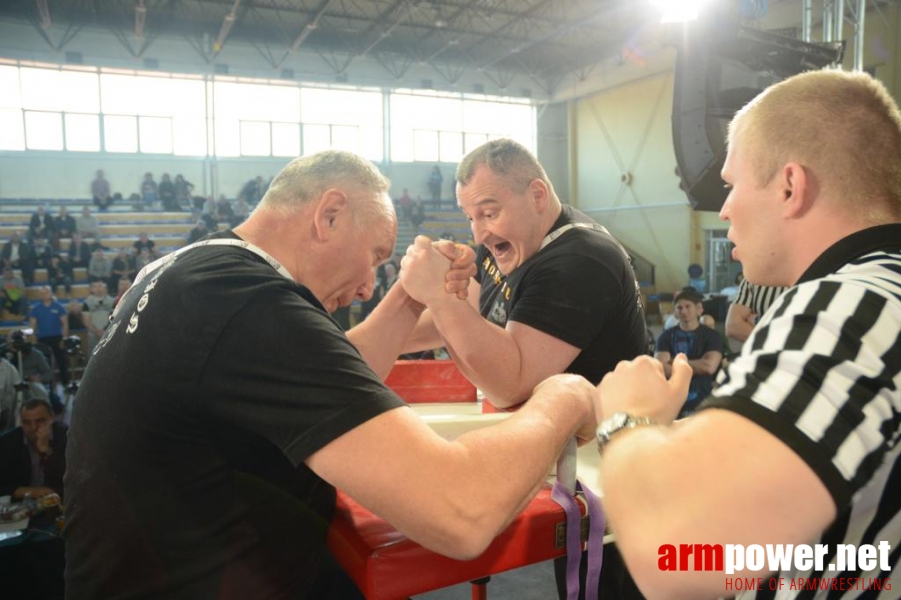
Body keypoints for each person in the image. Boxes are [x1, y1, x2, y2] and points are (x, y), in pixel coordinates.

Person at [63, 150, 599, 600]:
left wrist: (410, 298)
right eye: (375, 256)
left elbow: (331, 379)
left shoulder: (195, 273)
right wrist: (563, 395)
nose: (369, 286)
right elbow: (459, 510)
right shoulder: (246, 302)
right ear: (330, 215)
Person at [589, 69, 900, 599]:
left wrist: (626, 421)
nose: (724, 207)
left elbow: (679, 556)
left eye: (730, 186)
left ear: (789, 186)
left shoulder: (851, 305)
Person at [393, 138, 648, 599]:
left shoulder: (578, 258)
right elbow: (466, 316)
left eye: (489, 213)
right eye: (471, 218)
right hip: (574, 467)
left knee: (604, 589)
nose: (480, 232)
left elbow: (510, 383)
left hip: (616, 481)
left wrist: (436, 295)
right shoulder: (514, 247)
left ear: (536, 196)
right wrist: (379, 336)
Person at [653, 287, 723, 416]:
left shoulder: (712, 336)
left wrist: (675, 361)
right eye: (679, 308)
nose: (684, 311)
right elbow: (660, 368)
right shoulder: (666, 336)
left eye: (688, 306)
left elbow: (709, 367)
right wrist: (698, 365)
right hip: (673, 403)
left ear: (698, 308)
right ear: (675, 311)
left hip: (703, 401)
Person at [0, 398, 67, 500]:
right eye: (26, 422)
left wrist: (47, 452)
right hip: (22, 505)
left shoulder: (66, 437)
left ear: (52, 418)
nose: (33, 427)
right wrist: (27, 491)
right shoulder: (8, 442)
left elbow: (68, 479)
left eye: (40, 421)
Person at [724, 278, 788, 345]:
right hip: (761, 353)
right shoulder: (752, 278)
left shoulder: (798, 281)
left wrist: (759, 321)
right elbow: (733, 326)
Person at [29, 286, 70, 386]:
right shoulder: (36, 309)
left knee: (62, 362)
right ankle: (48, 385)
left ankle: (65, 384)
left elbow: (65, 324)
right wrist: (34, 339)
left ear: (51, 293)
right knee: (45, 363)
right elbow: (32, 325)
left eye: (46, 292)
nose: (45, 294)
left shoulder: (59, 307)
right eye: (42, 293)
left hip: (57, 338)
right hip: (42, 339)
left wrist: (64, 339)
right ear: (40, 295)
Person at [80, 280, 114, 359]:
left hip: (109, 333)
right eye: (95, 286)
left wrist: (105, 330)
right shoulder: (87, 303)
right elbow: (86, 321)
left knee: (111, 357)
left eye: (100, 286)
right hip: (93, 335)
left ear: (104, 287)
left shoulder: (112, 301)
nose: (98, 288)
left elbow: (115, 317)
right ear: (91, 289)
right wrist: (97, 332)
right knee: (93, 358)